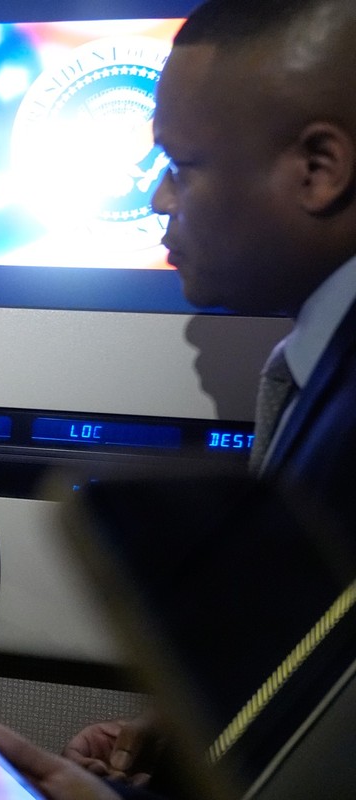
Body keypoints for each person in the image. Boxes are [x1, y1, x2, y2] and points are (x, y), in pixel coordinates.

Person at [53, 0, 356, 794]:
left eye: (182, 166)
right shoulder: (324, 374)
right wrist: (221, 737)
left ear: (318, 169)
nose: (158, 199)